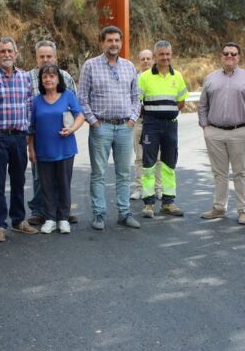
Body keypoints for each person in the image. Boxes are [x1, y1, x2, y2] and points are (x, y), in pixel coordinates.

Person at [78, 25, 141, 230]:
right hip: (101, 127)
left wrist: (132, 120)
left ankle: (124, 213)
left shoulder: (129, 66)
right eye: (110, 40)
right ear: (102, 42)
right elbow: (82, 98)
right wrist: (93, 121)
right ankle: (99, 214)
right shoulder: (91, 65)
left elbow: (136, 98)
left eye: (117, 40)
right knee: (99, 173)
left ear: (121, 43)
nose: (114, 44)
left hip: (124, 127)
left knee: (124, 173)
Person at [0, 37, 39, 242]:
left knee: (18, 180)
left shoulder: (24, 78)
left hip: (18, 137)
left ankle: (18, 220)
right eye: (2, 51)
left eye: (9, 51)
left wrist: (28, 138)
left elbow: (30, 108)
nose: (6, 54)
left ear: (16, 54)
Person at [197, 42, 245, 226]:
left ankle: (243, 211)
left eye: (233, 54)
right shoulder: (210, 78)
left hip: (239, 131)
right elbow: (202, 104)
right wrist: (205, 126)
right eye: (226, 53)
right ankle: (219, 207)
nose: (229, 56)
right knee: (219, 173)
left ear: (239, 57)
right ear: (221, 56)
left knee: (241, 173)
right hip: (214, 132)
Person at [28, 64, 85, 234]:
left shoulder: (68, 96)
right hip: (43, 149)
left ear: (58, 78)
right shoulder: (36, 101)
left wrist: (72, 129)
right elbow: (30, 127)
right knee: (45, 185)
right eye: (45, 76)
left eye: (52, 76)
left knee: (63, 184)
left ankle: (63, 218)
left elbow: (80, 115)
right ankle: (50, 218)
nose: (48, 79)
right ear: (41, 80)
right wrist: (31, 148)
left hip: (65, 148)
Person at [137, 40, 188, 219]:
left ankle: (168, 202)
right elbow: (138, 102)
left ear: (171, 55)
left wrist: (169, 113)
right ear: (155, 56)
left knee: (169, 163)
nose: (165, 57)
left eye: (168, 54)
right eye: (161, 54)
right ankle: (149, 203)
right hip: (151, 125)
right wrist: (154, 115)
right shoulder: (144, 77)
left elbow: (181, 101)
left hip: (170, 126)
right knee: (149, 164)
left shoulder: (178, 76)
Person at [131, 49, 162, 201]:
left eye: (148, 58)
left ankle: (157, 188)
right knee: (140, 157)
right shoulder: (134, 79)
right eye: (142, 59)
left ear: (153, 59)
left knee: (157, 157)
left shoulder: (159, 77)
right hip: (139, 122)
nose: (145, 61)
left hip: (156, 123)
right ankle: (139, 187)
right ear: (139, 61)